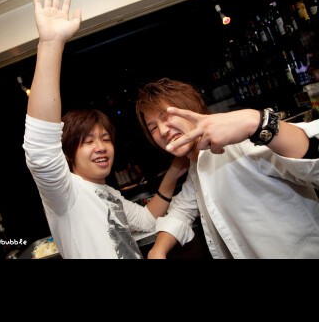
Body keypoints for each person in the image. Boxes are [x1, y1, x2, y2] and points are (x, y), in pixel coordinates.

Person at [23, 0, 188, 259]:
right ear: (69, 153)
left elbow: (147, 219)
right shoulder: (66, 192)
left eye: (105, 139)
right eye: (88, 141)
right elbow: (41, 150)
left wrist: (174, 172)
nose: (101, 147)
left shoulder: (108, 193)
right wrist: (51, 44)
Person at [135, 77, 319, 259]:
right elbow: (181, 211)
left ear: (190, 109)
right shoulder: (196, 168)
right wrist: (157, 251)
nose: (163, 131)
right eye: (153, 128)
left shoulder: (237, 143)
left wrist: (256, 122)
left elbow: (313, 163)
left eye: (166, 117)